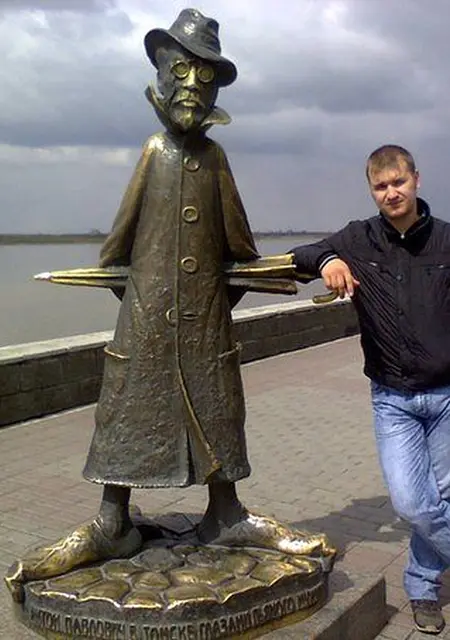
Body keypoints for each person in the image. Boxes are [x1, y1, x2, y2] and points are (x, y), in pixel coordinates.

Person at [5, 9, 331, 604]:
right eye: (181, 72)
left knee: (217, 417)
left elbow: (239, 253)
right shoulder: (154, 151)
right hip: (146, 333)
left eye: (205, 77)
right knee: (127, 419)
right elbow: (116, 253)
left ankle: (225, 514)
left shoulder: (216, 160)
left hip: (206, 335)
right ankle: (112, 521)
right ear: (160, 77)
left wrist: (211, 306)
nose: (192, 88)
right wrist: (148, 309)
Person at [291, 144, 450, 635]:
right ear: (371, 191)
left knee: (442, 498)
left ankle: (423, 588)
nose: (391, 193)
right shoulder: (358, 239)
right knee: (413, 504)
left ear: (416, 179)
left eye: (398, 182)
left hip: (446, 395)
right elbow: (299, 255)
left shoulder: (446, 241)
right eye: (381, 186)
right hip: (392, 399)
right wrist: (328, 261)